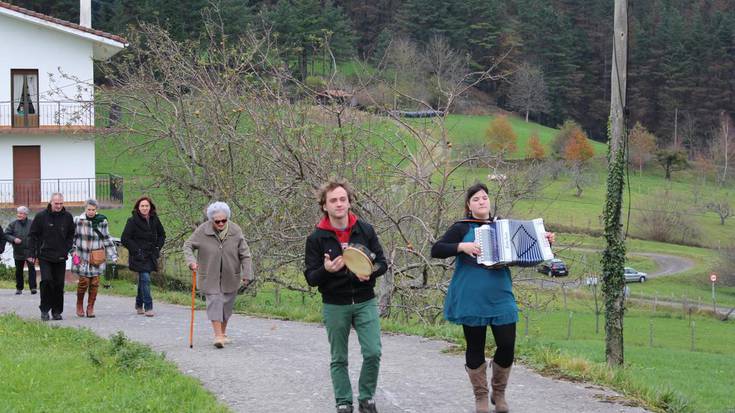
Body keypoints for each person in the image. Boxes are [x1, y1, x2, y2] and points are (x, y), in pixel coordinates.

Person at [430, 183, 554, 413]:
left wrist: (544, 242)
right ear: (469, 205)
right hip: (471, 295)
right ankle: (481, 397)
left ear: (489, 201)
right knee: (475, 345)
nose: (481, 202)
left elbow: (525, 256)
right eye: (475, 199)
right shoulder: (461, 227)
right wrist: (462, 246)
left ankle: (499, 393)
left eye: (484, 197)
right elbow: (436, 249)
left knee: (507, 345)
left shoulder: (503, 225)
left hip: (501, 294)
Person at [304, 179, 387, 413]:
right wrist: (326, 271)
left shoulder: (365, 230)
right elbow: (311, 277)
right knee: (339, 358)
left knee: (373, 352)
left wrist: (370, 271)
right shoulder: (316, 238)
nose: (339, 204)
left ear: (349, 202)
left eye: (343, 199)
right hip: (335, 304)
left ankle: (366, 397)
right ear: (324, 206)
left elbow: (382, 262)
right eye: (333, 200)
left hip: (364, 301)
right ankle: (343, 401)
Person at [183, 202, 253, 348]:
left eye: (224, 220)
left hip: (230, 275)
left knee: (227, 305)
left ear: (227, 218)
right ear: (211, 220)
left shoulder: (235, 230)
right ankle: (218, 336)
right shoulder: (203, 230)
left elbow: (245, 254)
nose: (221, 223)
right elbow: (188, 245)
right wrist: (191, 262)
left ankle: (222, 333)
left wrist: (247, 273)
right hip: (209, 274)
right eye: (217, 221)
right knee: (214, 302)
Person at [27, 193, 74, 321]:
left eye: (61, 203)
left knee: (59, 284)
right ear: (51, 202)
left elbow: (71, 235)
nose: (58, 206)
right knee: (47, 281)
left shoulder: (68, 217)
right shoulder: (41, 216)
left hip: (60, 256)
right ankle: (44, 310)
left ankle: (57, 311)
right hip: (45, 256)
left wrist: (67, 248)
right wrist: (31, 253)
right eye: (56, 203)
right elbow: (32, 236)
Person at [71, 199, 118, 318]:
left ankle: (90, 307)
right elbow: (72, 237)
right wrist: (72, 251)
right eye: (89, 209)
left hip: (97, 257)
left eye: (93, 209)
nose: (91, 212)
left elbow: (107, 238)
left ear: (96, 210)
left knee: (95, 282)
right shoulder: (78, 220)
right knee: (84, 281)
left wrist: (113, 254)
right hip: (82, 255)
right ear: (85, 209)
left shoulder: (102, 220)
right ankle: (79, 304)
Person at [121, 196, 166, 317]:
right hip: (138, 256)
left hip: (151, 255)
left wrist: (157, 248)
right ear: (138, 207)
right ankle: (148, 307)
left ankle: (139, 304)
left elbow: (162, 235)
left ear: (150, 207)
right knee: (145, 278)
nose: (145, 208)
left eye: (147, 206)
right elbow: (125, 239)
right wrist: (137, 251)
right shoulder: (132, 221)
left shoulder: (154, 219)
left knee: (143, 280)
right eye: (142, 206)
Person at [5, 206, 36, 295]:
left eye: (21, 213)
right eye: (18, 213)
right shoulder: (13, 224)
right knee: (19, 270)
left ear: (26, 215)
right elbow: (6, 234)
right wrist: (13, 239)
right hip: (18, 251)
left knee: (31, 269)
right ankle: (19, 288)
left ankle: (33, 288)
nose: (19, 215)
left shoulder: (32, 223)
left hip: (30, 251)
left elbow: (37, 235)